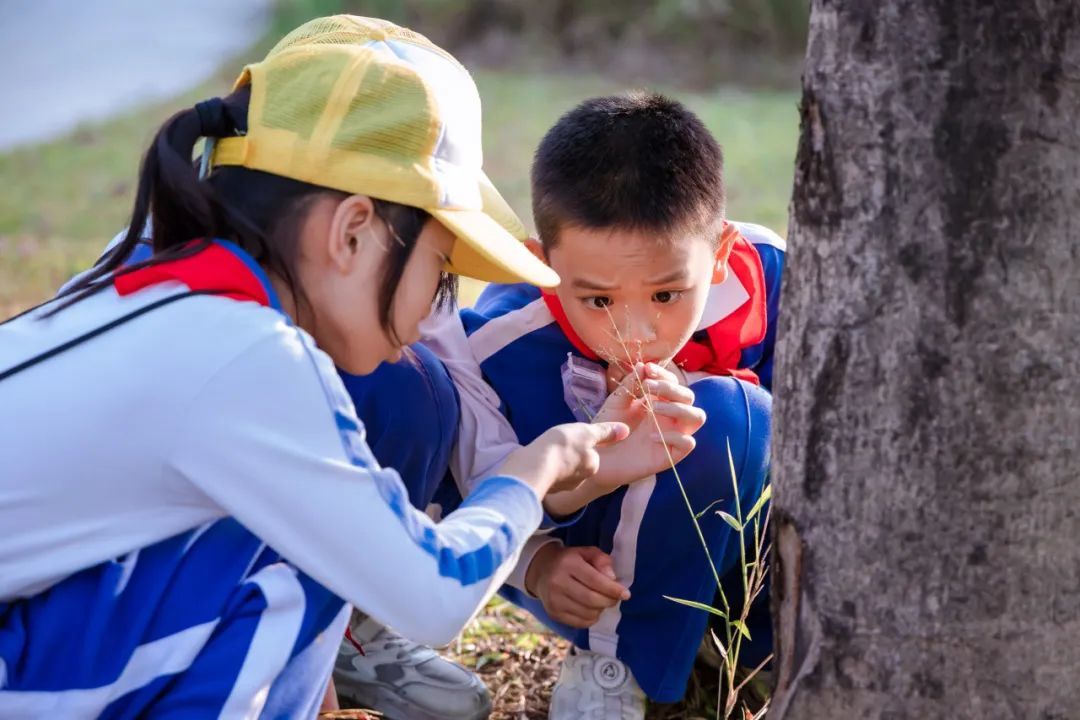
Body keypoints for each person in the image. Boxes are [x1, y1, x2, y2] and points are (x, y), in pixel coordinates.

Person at [0, 25, 698, 718]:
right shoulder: (252, 355)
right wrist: (535, 469)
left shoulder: (155, 264)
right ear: (353, 230)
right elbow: (436, 593)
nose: (433, 310)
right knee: (286, 568)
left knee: (288, 534)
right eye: (440, 269)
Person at [446, 92, 785, 718]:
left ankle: (742, 655)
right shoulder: (500, 340)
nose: (637, 330)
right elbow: (473, 484)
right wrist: (540, 565)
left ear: (718, 255)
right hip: (580, 562)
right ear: (541, 262)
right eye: (598, 300)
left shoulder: (771, 279)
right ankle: (612, 666)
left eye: (666, 294)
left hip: (741, 554)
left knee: (737, 416)